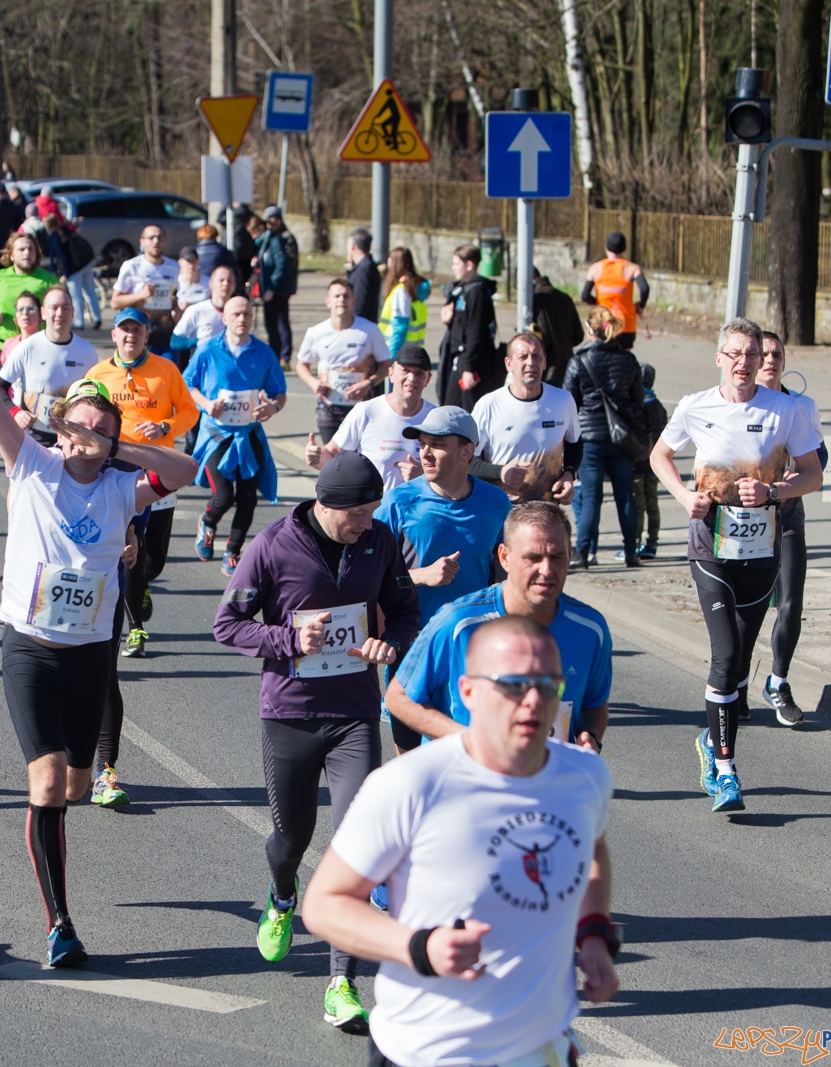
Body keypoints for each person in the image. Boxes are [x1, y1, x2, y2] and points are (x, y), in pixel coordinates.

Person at [0, 276, 199, 968]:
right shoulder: (31, 464)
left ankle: (66, 814)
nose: (82, 435)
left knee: (72, 782)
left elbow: (186, 467)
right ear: (59, 429)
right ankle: (60, 923)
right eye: (75, 423)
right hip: (30, 647)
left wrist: (116, 446)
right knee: (45, 782)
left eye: (97, 427)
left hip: (90, 654)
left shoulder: (126, 485)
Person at [302, 615, 618, 1067]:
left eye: (549, 685)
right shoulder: (410, 783)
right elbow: (324, 904)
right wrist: (420, 947)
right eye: (513, 684)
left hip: (541, 1050)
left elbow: (593, 850)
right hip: (426, 1052)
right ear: (468, 691)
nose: (533, 701)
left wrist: (593, 935)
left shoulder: (585, 776)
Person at [215, 452, 421, 1034]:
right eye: (358, 512)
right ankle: (283, 897)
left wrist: (390, 645)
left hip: (355, 713)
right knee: (290, 840)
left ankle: (341, 983)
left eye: (372, 510)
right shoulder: (274, 545)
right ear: (327, 506)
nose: (367, 521)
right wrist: (288, 637)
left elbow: (405, 612)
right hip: (291, 714)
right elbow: (227, 624)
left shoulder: (379, 542)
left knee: (356, 843)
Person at [649, 316, 822, 814]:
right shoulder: (695, 406)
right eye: (736, 354)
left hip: (762, 549)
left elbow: (813, 474)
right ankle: (727, 770)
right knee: (724, 654)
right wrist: (684, 496)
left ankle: (711, 740)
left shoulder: (786, 410)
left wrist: (775, 491)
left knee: (741, 661)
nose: (744, 363)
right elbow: (660, 454)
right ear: (720, 358)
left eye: (752, 354)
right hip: (710, 547)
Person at [388, 501, 611, 751]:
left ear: (570, 554)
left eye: (557, 557)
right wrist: (469, 740)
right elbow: (400, 697)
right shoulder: (458, 622)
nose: (547, 570)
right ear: (504, 557)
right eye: (533, 558)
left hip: (548, 783)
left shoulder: (591, 629)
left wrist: (590, 735)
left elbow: (595, 702)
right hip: (466, 781)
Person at [374, 405, 513, 751]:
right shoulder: (398, 502)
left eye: (436, 443)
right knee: (408, 754)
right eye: (422, 443)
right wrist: (419, 576)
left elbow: (508, 571)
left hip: (472, 642)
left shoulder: (496, 503)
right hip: (413, 639)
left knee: (467, 747)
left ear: (467, 451)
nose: (424, 451)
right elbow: (367, 575)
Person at [86, 307, 201, 658]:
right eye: (124, 330)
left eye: (136, 330)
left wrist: (166, 426)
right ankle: (136, 628)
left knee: (155, 558)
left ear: (146, 335)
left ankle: (145, 584)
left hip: (160, 473)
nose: (130, 336)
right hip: (119, 474)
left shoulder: (166, 370)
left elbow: (189, 411)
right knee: (130, 551)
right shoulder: (99, 374)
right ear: (114, 336)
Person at [185, 295, 287, 576]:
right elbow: (187, 383)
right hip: (216, 434)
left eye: (247, 314)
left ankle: (232, 551)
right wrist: (206, 404)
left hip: (249, 433)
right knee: (223, 495)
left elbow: (280, 392)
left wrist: (272, 407)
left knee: (248, 498)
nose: (242, 319)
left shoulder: (263, 353)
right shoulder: (207, 350)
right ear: (225, 319)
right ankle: (207, 522)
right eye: (236, 314)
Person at [755, 332, 826, 726]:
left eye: (776, 355)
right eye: (763, 354)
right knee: (744, 608)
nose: (769, 361)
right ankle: (732, 684)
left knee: (791, 603)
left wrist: (795, 477)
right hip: (745, 522)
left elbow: (819, 453)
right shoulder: (739, 406)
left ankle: (778, 681)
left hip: (788, 517)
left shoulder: (802, 406)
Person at [565, 306, 645, 568]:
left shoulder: (579, 360)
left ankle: (582, 552)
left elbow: (569, 401)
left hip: (589, 437)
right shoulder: (628, 360)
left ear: (590, 329)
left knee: (591, 496)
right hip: (620, 437)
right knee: (625, 494)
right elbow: (637, 399)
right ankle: (631, 551)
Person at [306, 343, 435, 492]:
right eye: (405, 371)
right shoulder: (366, 411)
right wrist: (314, 456)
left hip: (417, 511)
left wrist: (423, 478)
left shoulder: (435, 418)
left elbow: (452, 473)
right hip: (373, 512)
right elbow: (332, 454)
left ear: (428, 379)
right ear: (391, 374)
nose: (411, 378)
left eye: (419, 373)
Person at [470, 333, 581, 504]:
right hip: (502, 512)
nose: (530, 362)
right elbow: (466, 461)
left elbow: (575, 443)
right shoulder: (488, 405)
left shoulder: (563, 400)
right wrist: (500, 472)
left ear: (544, 362)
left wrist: (569, 475)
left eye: (536, 356)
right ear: (509, 364)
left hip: (546, 511)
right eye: (523, 357)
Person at [0, 285, 101, 447]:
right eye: (54, 308)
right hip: (33, 439)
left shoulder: (87, 351)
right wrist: (15, 412)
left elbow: (96, 397)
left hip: (72, 440)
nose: (60, 313)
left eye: (65, 308)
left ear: (73, 312)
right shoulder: (28, 347)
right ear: (43, 313)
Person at [294, 278, 389, 443]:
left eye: (346, 296)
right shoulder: (316, 332)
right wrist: (313, 383)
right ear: (328, 301)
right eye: (337, 296)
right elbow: (302, 364)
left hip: (360, 406)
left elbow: (386, 365)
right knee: (332, 460)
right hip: (328, 408)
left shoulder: (370, 330)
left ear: (353, 301)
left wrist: (368, 384)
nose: (341, 300)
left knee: (358, 459)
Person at [614, 363, 669, 563]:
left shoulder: (635, 406)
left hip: (637, 463)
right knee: (652, 505)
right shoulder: (659, 407)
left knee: (637, 507)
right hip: (654, 465)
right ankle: (652, 543)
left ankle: (634, 543)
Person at [438, 244, 499, 409]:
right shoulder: (463, 289)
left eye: (457, 264)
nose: (453, 268)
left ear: (470, 265)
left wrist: (469, 368)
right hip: (461, 359)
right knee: (450, 408)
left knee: (469, 411)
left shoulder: (476, 292)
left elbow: (476, 332)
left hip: (471, 363)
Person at [0, 232, 58, 347]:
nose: (27, 253)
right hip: (5, 345)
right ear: (11, 255)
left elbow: (62, 306)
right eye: (21, 249)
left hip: (39, 345)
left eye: (31, 249)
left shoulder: (49, 279)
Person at [111, 224, 180, 350]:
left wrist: (174, 301)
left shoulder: (174, 267)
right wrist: (141, 295)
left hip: (167, 332)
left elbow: (180, 296)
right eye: (151, 237)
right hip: (139, 334)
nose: (156, 241)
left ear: (164, 241)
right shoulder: (131, 266)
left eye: (160, 238)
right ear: (142, 242)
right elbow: (115, 302)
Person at [582, 232, 649, 349]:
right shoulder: (632, 268)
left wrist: (598, 302)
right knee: (624, 359)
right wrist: (641, 305)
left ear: (606, 247)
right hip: (626, 324)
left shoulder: (595, 268)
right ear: (624, 248)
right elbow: (644, 288)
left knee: (602, 356)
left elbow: (584, 296)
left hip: (602, 323)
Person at [170, 264, 237, 373]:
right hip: (203, 372)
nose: (225, 284)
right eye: (221, 280)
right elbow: (175, 341)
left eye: (229, 281)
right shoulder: (196, 310)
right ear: (211, 284)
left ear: (234, 285)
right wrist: (198, 341)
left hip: (230, 371)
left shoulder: (239, 312)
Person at [256, 206, 299, 368]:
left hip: (281, 288)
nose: (273, 221)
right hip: (271, 287)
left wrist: (273, 286)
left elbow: (287, 264)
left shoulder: (285, 237)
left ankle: (284, 357)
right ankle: (275, 355)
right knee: (272, 323)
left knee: (282, 322)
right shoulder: (267, 237)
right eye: (270, 218)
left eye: (275, 218)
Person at [532, 270, 584, 385]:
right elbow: (578, 335)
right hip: (567, 363)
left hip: (548, 368)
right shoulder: (564, 297)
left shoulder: (537, 299)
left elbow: (544, 338)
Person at [378, 247, 428, 358]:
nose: (388, 262)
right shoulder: (414, 288)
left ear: (396, 263)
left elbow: (399, 327)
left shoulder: (401, 291)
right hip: (413, 351)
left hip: (399, 353)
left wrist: (390, 357)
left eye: (390, 259)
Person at [346, 228, 381, 323]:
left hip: (361, 326)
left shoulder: (363, 270)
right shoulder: (366, 265)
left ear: (352, 247)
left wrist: (352, 325)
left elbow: (359, 304)